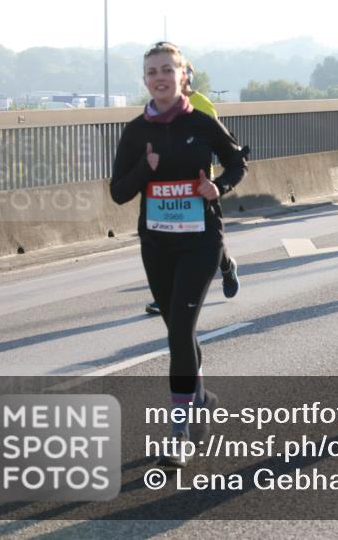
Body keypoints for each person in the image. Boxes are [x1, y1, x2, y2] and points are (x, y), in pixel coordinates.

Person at [110, 42, 247, 468]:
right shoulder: (135, 132)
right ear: (145, 80)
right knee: (178, 330)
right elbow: (119, 193)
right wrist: (145, 169)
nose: (159, 78)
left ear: (183, 74)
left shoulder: (203, 124)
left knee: (179, 331)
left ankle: (179, 431)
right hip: (157, 243)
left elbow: (237, 162)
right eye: (151, 72)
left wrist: (217, 187)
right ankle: (200, 395)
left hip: (200, 240)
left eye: (167, 69)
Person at [145, 62, 241, 316]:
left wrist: (219, 180)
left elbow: (220, 144)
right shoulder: (156, 108)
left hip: (200, 187)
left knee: (208, 240)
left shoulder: (203, 105)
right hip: (166, 188)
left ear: (186, 78)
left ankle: (226, 266)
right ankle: (166, 295)